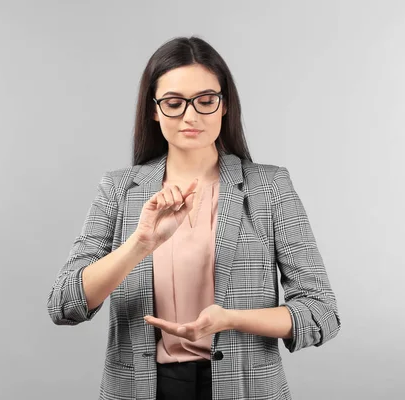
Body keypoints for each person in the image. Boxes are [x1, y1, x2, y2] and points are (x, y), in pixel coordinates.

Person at [47, 36, 341, 400]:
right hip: (143, 389)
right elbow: (64, 305)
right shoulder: (120, 189)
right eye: (174, 103)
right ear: (154, 110)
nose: (191, 115)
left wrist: (231, 319)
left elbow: (321, 313)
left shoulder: (270, 186)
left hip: (245, 388)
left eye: (205, 101)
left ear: (225, 106)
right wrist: (139, 245)